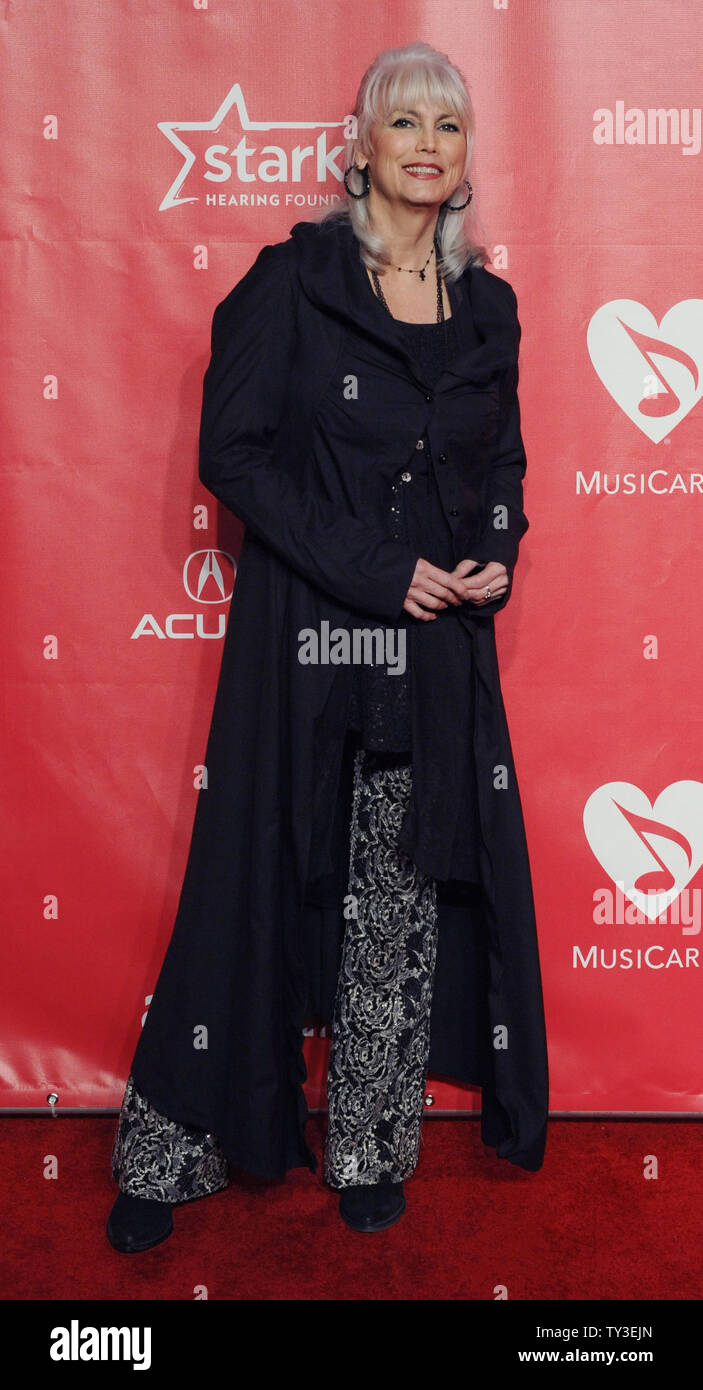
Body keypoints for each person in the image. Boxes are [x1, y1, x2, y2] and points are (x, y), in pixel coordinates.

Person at [106, 39, 548, 1252]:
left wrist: (496, 548)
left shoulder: (489, 308)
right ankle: (174, 1143)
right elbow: (232, 455)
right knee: (250, 879)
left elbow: (501, 464)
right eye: (402, 121)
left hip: (435, 653)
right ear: (360, 146)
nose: (424, 144)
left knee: (398, 903)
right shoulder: (288, 284)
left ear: (463, 161)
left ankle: (367, 1140)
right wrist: (375, 570)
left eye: (447, 127)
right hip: (307, 639)